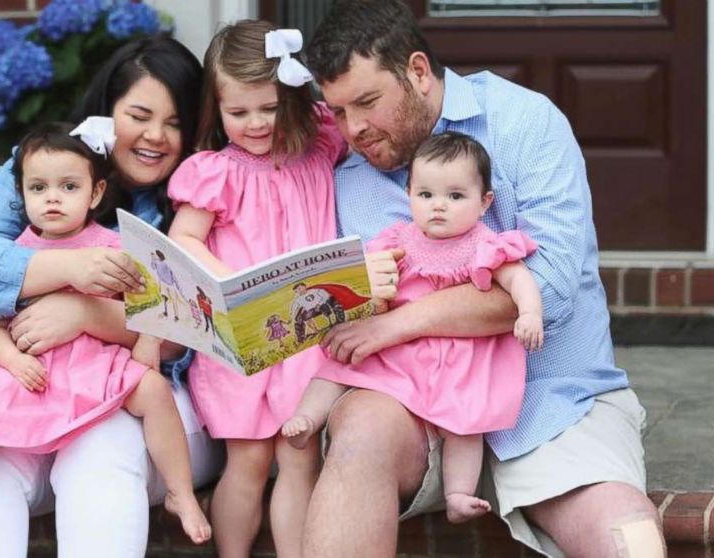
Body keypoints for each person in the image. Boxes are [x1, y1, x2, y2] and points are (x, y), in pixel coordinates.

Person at [302, 1, 664, 557]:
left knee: (629, 537)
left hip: (549, 396)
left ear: (418, 71)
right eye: (340, 112)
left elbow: (551, 287)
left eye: (368, 103)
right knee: (357, 440)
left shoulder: (526, 122)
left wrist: (399, 323)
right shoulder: (352, 177)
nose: (355, 130)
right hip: (411, 400)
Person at [0, 36, 223, 558]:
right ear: (107, 114)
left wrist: (87, 312)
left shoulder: (208, 187)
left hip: (157, 401)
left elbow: (183, 341)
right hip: (45, 385)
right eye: (139, 115)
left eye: (176, 123)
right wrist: (69, 267)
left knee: (103, 443)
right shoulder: (49, 166)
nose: (156, 136)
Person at [283, 131, 543, 525]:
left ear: (484, 201)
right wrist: (372, 297)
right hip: (399, 350)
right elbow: (369, 288)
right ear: (409, 194)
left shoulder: (486, 245)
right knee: (340, 365)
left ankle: (458, 493)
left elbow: (519, 281)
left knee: (464, 423)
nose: (439, 207)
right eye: (426, 195)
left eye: (455, 197)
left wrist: (529, 314)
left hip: (458, 357)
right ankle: (306, 417)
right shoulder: (397, 239)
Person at [164, 20, 348, 558]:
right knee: (248, 460)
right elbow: (184, 240)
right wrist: (227, 283)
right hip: (243, 336)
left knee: (298, 455)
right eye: (237, 112)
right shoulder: (215, 172)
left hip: (307, 332)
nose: (255, 123)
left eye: (269, 108)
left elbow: (328, 112)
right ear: (217, 109)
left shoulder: (318, 149)